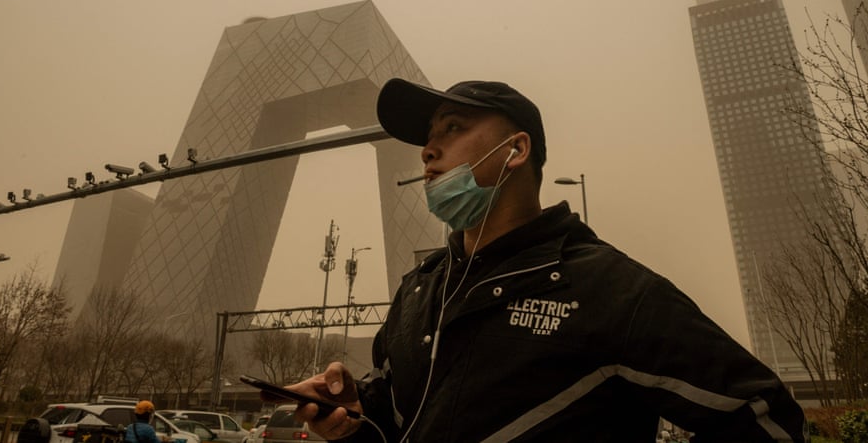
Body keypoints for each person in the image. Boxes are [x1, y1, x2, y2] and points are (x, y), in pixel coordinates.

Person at [280, 78, 808, 441]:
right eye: (428, 136)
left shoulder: (606, 289)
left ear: (515, 150)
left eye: (453, 128)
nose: (427, 150)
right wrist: (355, 416)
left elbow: (765, 416)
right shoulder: (417, 294)